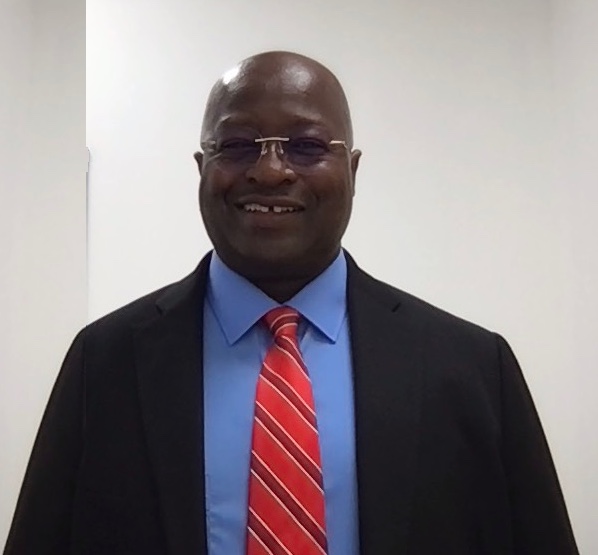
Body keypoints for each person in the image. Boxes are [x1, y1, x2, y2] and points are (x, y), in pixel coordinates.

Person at [4, 51, 578, 555]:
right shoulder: (105, 363)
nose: (270, 170)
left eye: (306, 147)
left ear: (352, 170)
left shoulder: (474, 369)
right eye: (236, 146)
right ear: (202, 169)